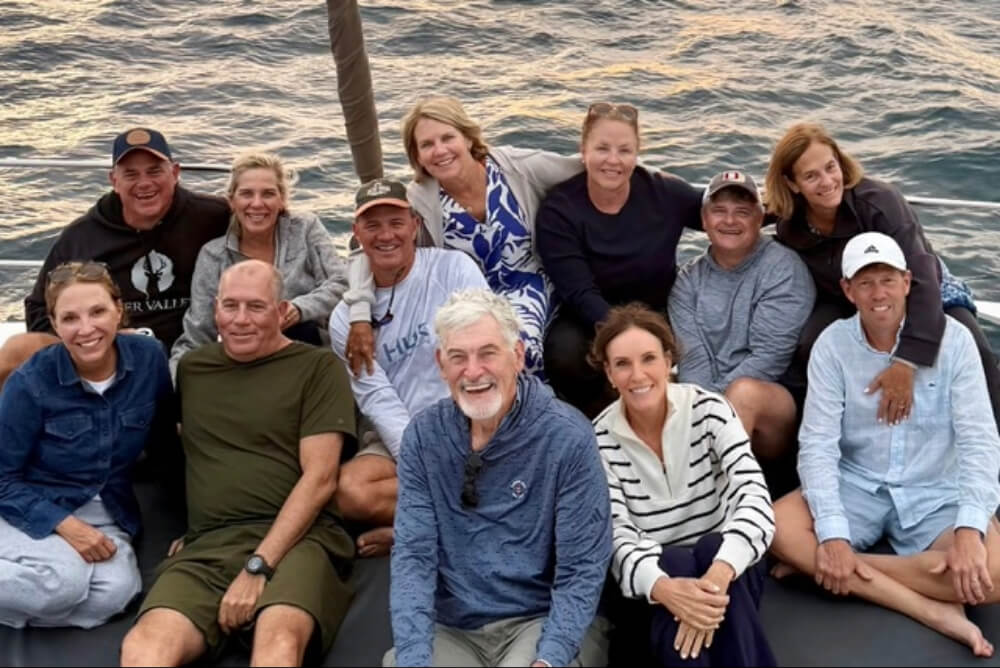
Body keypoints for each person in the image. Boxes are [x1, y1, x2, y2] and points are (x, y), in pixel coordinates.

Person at [770, 233, 1000, 658]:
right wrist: (836, 534)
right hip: (858, 485)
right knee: (776, 528)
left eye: (887, 280)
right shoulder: (833, 346)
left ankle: (830, 571)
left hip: (936, 492)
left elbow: (979, 440)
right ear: (847, 290)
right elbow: (818, 444)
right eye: (865, 282)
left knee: (992, 570)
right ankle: (930, 609)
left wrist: (969, 530)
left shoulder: (955, 342)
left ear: (908, 282)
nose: (878, 293)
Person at [120, 260, 356, 667]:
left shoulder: (318, 368)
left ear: (282, 311)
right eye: (230, 306)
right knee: (144, 649)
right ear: (215, 309)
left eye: (256, 307)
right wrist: (192, 526)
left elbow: (320, 478)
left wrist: (258, 566)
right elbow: (179, 451)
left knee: (277, 645)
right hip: (209, 545)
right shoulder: (194, 370)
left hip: (298, 541)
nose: (240, 320)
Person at [387, 289, 612, 667]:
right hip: (454, 629)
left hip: (541, 621)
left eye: (487, 353)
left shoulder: (567, 436)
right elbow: (413, 556)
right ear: (441, 365)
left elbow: (583, 569)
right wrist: (413, 659)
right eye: (458, 357)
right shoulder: (424, 437)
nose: (473, 372)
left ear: (518, 356)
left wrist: (550, 659)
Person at [765, 121, 1000, 429]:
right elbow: (741, 218)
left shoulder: (880, 203)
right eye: (811, 176)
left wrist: (907, 360)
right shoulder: (788, 219)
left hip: (916, 283)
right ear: (793, 184)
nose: (827, 181)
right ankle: (805, 452)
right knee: (808, 347)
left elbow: (923, 277)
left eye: (830, 167)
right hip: (843, 296)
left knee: (974, 346)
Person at [341, 95, 583, 380]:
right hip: (469, 300)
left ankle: (532, 417)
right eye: (427, 145)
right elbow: (362, 251)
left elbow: (590, 167)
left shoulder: (515, 168)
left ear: (468, 138)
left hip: (532, 286)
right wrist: (359, 316)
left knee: (514, 347)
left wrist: (646, 184)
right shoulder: (419, 200)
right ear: (416, 155)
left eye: (448, 138)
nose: (440, 150)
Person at [591, 303, 777, 666]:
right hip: (654, 583)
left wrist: (719, 574)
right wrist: (666, 589)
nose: (638, 374)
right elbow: (616, 536)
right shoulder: (597, 441)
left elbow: (753, 496)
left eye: (648, 359)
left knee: (713, 546)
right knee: (672, 559)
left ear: (668, 361)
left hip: (728, 570)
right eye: (623, 364)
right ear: (610, 374)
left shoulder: (711, 410)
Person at [0, 262, 172, 628]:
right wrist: (65, 526)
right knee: (63, 584)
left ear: (118, 310)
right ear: (54, 322)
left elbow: (165, 448)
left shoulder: (149, 358)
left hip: (108, 513)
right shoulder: (30, 383)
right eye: (70, 318)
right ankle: (50, 583)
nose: (86, 329)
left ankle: (25, 600)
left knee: (117, 594)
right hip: (30, 505)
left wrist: (199, 523)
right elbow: (2, 477)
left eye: (98, 312)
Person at [328, 178, 487, 557]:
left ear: (415, 225)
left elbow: (483, 358)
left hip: (471, 417)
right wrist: (422, 456)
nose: (386, 235)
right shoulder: (345, 320)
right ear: (356, 233)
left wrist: (463, 436)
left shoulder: (454, 270)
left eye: (396, 223)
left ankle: (416, 529)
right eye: (372, 225)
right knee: (351, 492)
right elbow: (377, 398)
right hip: (404, 435)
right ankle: (454, 524)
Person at [1, 127, 229, 390]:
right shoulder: (81, 237)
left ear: (175, 173)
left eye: (154, 171)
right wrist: (89, 351)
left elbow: (264, 229)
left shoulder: (213, 217)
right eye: (130, 174)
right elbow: (39, 308)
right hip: (109, 357)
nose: (144, 183)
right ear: (114, 180)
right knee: (14, 353)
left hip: (192, 352)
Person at [535, 101, 702, 418]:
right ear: (583, 151)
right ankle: (595, 425)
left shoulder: (664, 193)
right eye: (602, 149)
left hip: (658, 308)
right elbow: (580, 292)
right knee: (563, 352)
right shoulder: (559, 210)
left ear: (637, 154)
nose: (613, 160)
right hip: (589, 315)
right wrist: (626, 340)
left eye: (624, 150)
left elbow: (726, 213)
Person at [668, 170, 814, 461]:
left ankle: (707, 494)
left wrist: (706, 413)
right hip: (706, 398)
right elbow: (692, 357)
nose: (730, 221)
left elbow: (768, 358)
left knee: (742, 394)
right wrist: (699, 410)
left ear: (760, 219)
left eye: (742, 212)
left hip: (771, 404)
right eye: (719, 211)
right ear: (704, 219)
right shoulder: (687, 279)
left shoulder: (783, 269)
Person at [169, 151, 347, 376]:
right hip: (244, 365)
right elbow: (198, 333)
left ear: (282, 200)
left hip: (311, 354)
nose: (257, 203)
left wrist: (299, 309)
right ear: (232, 201)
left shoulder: (305, 229)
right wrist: (177, 382)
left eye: (268, 194)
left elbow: (342, 283)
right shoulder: (213, 255)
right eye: (246, 194)